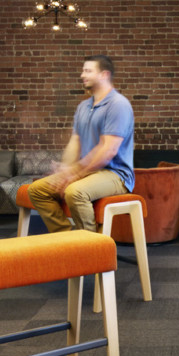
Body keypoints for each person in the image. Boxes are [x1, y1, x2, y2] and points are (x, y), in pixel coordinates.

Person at [27, 54, 135, 232]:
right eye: (83, 70)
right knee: (37, 190)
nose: (82, 75)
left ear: (103, 75)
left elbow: (107, 149)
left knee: (75, 191)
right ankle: (68, 241)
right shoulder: (84, 107)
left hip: (115, 175)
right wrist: (66, 168)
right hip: (88, 171)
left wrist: (75, 173)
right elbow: (75, 142)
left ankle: (90, 248)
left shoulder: (118, 104)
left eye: (88, 71)